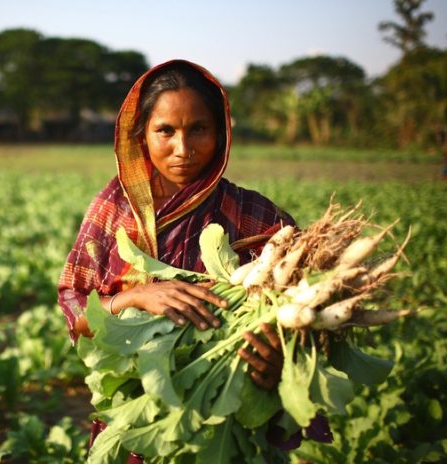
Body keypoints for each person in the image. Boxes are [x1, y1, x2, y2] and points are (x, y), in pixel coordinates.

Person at [58, 60, 300, 462]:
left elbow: (305, 323)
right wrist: (136, 299)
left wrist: (281, 360)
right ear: (141, 135)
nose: (183, 149)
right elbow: (76, 313)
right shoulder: (113, 209)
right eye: (165, 131)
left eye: (199, 130)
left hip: (230, 423)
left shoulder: (259, 217)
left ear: (221, 133)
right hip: (136, 421)